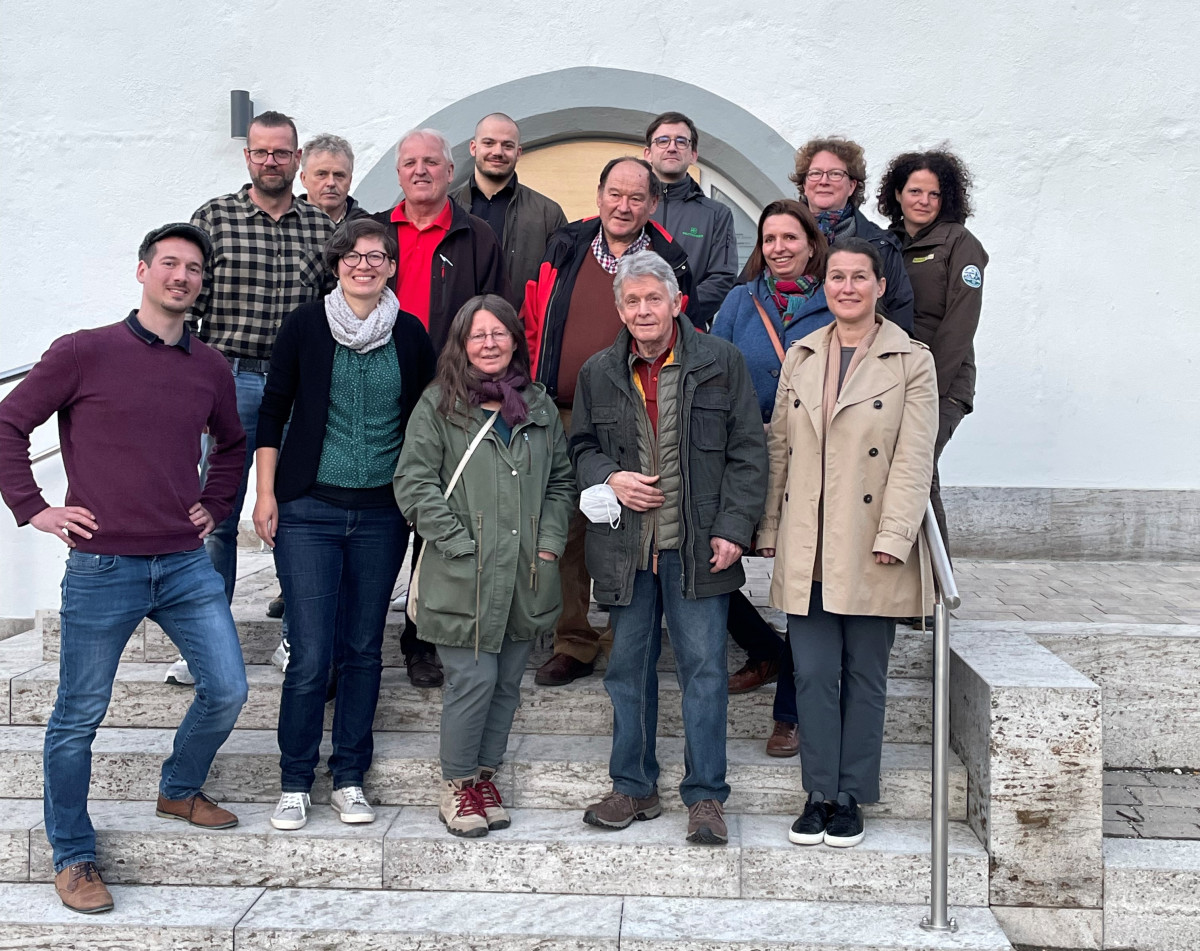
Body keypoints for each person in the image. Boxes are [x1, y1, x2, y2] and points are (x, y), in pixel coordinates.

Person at [0, 223, 248, 914]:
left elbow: (231, 444)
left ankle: (178, 786)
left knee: (227, 687)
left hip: (182, 561)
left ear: (203, 282)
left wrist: (216, 502)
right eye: (169, 263)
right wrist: (34, 507)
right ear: (142, 271)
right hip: (103, 565)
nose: (181, 276)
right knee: (78, 716)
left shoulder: (210, 366)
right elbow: (8, 423)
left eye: (194, 268)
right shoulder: (85, 352)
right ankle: (73, 854)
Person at [572, 251, 766, 845]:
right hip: (627, 551)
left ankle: (706, 797)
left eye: (653, 298)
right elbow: (578, 446)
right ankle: (632, 785)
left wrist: (734, 528)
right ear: (620, 310)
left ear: (677, 302)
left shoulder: (721, 363)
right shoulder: (597, 371)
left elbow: (749, 453)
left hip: (699, 550)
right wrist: (608, 476)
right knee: (627, 671)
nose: (643, 310)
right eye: (631, 300)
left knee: (704, 671)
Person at [252, 218, 435, 830]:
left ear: (390, 266)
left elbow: (426, 418)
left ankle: (350, 775)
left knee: (361, 649)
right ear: (336, 263)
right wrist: (266, 494)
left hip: (383, 514)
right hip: (308, 510)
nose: (364, 264)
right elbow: (273, 409)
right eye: (353, 255)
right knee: (310, 653)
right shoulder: (306, 324)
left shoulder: (409, 333)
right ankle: (295, 780)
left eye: (377, 256)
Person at [755, 238, 937, 849]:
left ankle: (852, 795)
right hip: (808, 541)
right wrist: (770, 530)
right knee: (810, 674)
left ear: (881, 286)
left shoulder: (912, 361)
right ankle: (817, 793)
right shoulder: (801, 355)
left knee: (864, 673)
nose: (848, 287)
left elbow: (914, 461)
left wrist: (895, 535)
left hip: (870, 543)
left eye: (860, 277)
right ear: (823, 285)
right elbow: (778, 449)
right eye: (837, 277)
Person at [394, 295, 574, 837]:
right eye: (478, 335)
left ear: (516, 340)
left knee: (507, 683)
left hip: (525, 573)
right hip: (463, 570)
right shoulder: (439, 405)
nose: (490, 343)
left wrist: (548, 543)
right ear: (461, 345)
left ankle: (483, 778)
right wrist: (454, 540)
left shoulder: (538, 406)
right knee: (472, 679)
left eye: (499, 333)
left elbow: (561, 481)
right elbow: (414, 480)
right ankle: (456, 784)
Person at [523, 157, 696, 688]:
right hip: (562, 409)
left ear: (651, 203)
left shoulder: (670, 257)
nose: (624, 206)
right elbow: (533, 318)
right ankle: (572, 639)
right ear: (598, 195)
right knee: (566, 526)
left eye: (636, 197)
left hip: (640, 408)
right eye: (615, 194)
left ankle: (628, 639)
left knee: (633, 529)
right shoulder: (566, 246)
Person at [181, 110, 335, 684]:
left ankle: (300, 638)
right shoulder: (214, 219)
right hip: (228, 380)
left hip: (295, 389)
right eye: (261, 152)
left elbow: (331, 315)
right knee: (214, 513)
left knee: (298, 513)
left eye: (281, 153)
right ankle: (205, 641)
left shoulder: (319, 228)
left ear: (297, 159)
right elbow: (188, 306)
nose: (271, 162)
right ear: (247, 157)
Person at [371, 127, 512, 687]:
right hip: (380, 393)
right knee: (384, 513)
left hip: (452, 397)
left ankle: (420, 639)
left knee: (437, 514)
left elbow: (493, 316)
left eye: (432, 161)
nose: (422, 170)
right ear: (399, 172)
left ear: (450, 171)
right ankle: (361, 630)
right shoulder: (373, 233)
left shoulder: (476, 236)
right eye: (411, 162)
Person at [710, 199, 832, 757]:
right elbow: (717, 370)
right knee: (709, 558)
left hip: (809, 459)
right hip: (744, 453)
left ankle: (791, 715)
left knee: (803, 584)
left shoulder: (835, 303)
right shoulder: (741, 299)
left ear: (811, 244)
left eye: (790, 238)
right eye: (769, 239)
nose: (779, 248)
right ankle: (764, 649)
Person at [877, 149, 987, 558]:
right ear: (898, 194)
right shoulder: (886, 243)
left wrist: (927, 387)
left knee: (919, 471)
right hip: (892, 379)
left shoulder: (960, 243)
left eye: (934, 194)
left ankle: (935, 591)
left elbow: (961, 323)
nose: (923, 201)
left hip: (942, 383)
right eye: (915, 191)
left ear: (948, 199)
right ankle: (909, 585)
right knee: (903, 473)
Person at [790, 136, 914, 334]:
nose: (824, 181)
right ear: (804, 185)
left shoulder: (881, 245)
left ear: (852, 186)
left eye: (835, 174)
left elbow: (900, 317)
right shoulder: (780, 238)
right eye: (814, 174)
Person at [450, 113, 567, 310]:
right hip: (454, 334)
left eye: (507, 145)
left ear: (518, 152)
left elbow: (562, 286)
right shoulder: (448, 208)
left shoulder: (548, 214)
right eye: (489, 143)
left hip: (519, 335)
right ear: (473, 147)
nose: (498, 152)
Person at [643, 111, 737, 328]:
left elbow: (722, 279)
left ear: (693, 154)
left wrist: (676, 310)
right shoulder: (632, 209)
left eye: (681, 141)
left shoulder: (716, 215)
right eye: (663, 140)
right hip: (631, 327)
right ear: (648, 153)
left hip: (689, 332)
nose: (672, 147)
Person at [299, 133, 370, 224]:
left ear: (350, 181)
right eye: (321, 174)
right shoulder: (286, 225)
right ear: (303, 179)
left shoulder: (368, 229)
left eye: (339, 175)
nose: (331, 183)